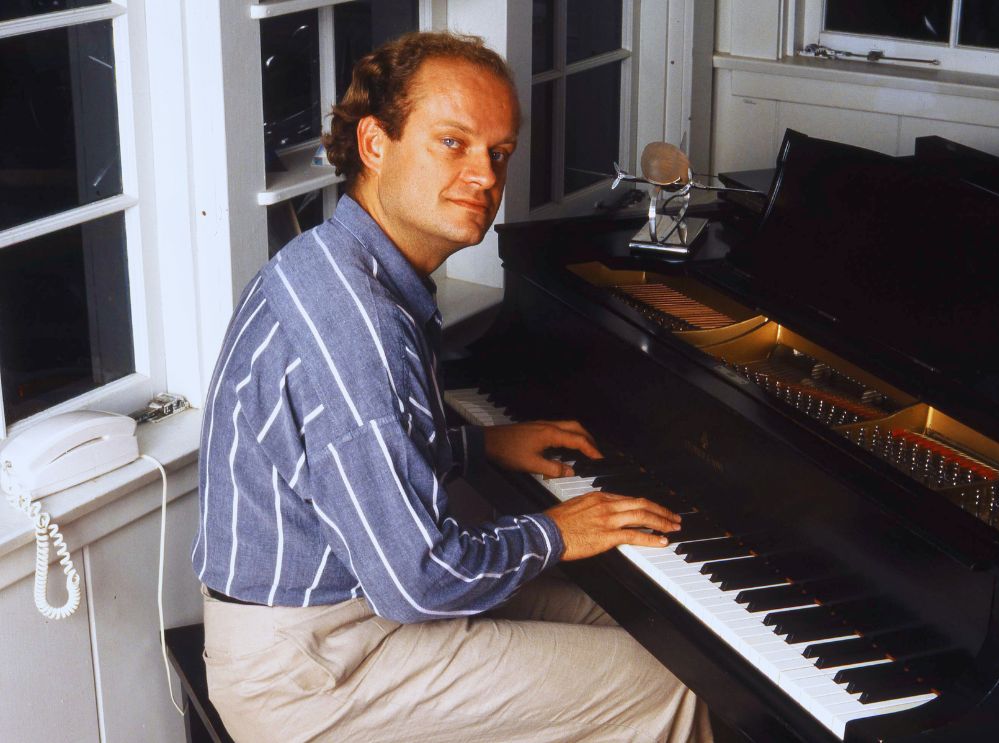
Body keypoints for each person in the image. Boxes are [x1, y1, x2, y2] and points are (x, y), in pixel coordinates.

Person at [193, 30, 713, 743]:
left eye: (498, 152)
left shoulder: (332, 259)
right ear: (375, 145)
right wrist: (556, 529)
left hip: (341, 612)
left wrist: (478, 446)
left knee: (649, 627)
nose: (484, 176)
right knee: (667, 681)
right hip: (314, 671)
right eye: (452, 142)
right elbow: (419, 581)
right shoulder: (360, 329)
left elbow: (350, 461)